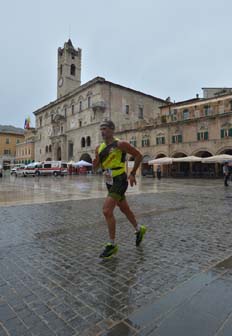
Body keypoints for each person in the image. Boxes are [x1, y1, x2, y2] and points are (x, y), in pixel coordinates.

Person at [93, 119, 146, 259]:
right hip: (109, 181)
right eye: (101, 129)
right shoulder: (99, 148)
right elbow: (96, 167)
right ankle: (139, 229)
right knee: (124, 209)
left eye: (105, 128)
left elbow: (138, 155)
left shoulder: (120, 144)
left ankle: (112, 244)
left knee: (106, 210)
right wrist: (95, 162)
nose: (102, 131)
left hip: (120, 180)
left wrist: (133, 173)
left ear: (112, 129)